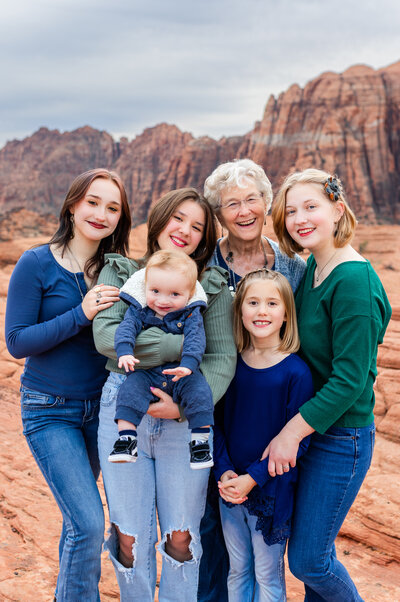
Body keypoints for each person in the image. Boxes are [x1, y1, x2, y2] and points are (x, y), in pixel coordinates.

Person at [93, 188, 237, 601]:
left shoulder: (212, 285)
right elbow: (106, 337)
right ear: (159, 220)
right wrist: (181, 348)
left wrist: (182, 407)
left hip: (186, 413)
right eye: (178, 219)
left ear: (205, 237)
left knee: (181, 535)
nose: (185, 231)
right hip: (124, 405)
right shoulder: (120, 273)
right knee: (127, 535)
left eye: (197, 226)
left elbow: (222, 358)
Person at [5, 168, 131, 602]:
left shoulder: (119, 270)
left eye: (112, 207)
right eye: (93, 202)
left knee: (78, 523)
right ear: (73, 205)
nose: (101, 213)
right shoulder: (36, 263)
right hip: (49, 408)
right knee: (90, 523)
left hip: (102, 412)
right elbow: (17, 342)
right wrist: (80, 313)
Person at [267, 168, 392, 601]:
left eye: (311, 207)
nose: (299, 218)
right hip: (315, 430)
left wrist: (289, 434)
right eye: (290, 211)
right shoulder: (314, 271)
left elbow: (350, 380)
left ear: (338, 209)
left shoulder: (353, 280)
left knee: (308, 560)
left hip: (341, 436)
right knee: (316, 552)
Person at [199, 158, 307, 602]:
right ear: (219, 214)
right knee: (213, 540)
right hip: (211, 415)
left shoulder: (294, 268)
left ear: (266, 202)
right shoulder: (203, 266)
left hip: (271, 426)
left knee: (263, 568)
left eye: (251, 199)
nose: (243, 211)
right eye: (230, 204)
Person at [214, 269, 314, 601]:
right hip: (229, 487)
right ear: (239, 310)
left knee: (267, 574)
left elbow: (298, 444)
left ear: (286, 313)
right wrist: (225, 471)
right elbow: (216, 423)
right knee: (238, 569)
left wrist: (252, 479)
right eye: (253, 302)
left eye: (272, 303)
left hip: (271, 491)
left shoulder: (296, 372)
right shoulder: (230, 364)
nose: (262, 311)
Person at [109, 249, 214, 469]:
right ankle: (126, 439)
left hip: (180, 374)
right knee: (130, 389)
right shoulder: (140, 311)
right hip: (147, 373)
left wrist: (188, 366)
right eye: (155, 291)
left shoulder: (190, 314)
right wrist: (125, 351)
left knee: (200, 391)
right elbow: (125, 329)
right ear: (145, 288)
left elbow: (196, 340)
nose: (163, 300)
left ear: (190, 293)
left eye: (175, 294)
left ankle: (200, 444)